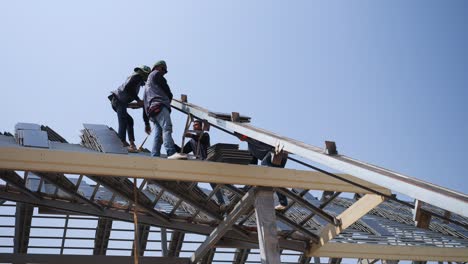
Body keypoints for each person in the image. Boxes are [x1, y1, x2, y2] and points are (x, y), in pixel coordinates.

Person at [175, 120, 227, 210]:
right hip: (199, 163)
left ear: (201, 127)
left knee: (213, 183)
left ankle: (221, 203)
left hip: (207, 162)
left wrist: (191, 135)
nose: (194, 127)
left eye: (196, 125)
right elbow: (182, 151)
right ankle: (193, 196)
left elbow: (202, 140)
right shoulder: (192, 141)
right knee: (194, 180)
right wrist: (171, 143)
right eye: (194, 125)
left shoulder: (205, 135)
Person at [143, 60, 185, 159]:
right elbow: (165, 86)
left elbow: (144, 104)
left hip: (152, 111)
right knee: (167, 128)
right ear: (158, 67)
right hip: (160, 106)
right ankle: (171, 152)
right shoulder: (156, 74)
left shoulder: (147, 87)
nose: (164, 73)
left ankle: (155, 155)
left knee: (158, 134)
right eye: (163, 70)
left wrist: (146, 122)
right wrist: (170, 96)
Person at [237, 133, 289, 210]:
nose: (241, 139)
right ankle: (283, 203)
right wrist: (247, 186)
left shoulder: (256, 138)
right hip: (274, 157)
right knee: (275, 179)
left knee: (265, 168)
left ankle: (283, 201)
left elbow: (274, 143)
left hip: (276, 153)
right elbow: (252, 168)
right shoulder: (250, 147)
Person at [109, 66, 151, 152]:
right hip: (118, 100)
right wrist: (138, 100)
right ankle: (121, 142)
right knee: (123, 119)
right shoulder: (137, 77)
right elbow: (128, 89)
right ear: (144, 74)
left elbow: (129, 94)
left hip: (119, 102)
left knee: (129, 120)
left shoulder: (136, 80)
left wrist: (137, 104)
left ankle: (131, 143)